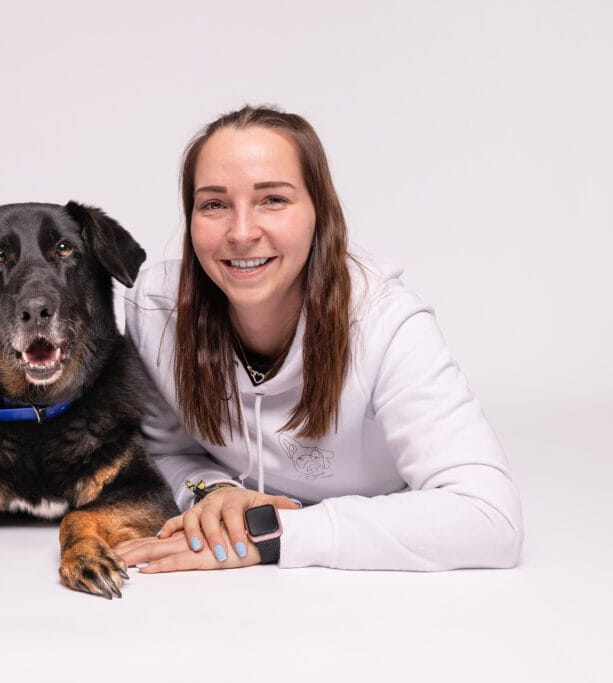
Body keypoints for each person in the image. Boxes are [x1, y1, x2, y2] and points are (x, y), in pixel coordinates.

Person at [115, 105, 523, 573]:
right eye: (214, 204)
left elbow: (490, 517)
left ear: (319, 213)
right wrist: (216, 494)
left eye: (273, 199)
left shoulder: (387, 324)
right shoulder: (157, 309)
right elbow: (167, 452)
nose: (241, 232)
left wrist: (270, 535)